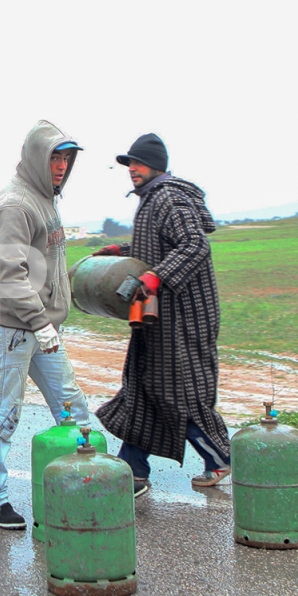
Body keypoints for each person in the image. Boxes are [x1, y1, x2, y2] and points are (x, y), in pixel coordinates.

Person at [95, 133, 232, 495]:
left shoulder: (169, 197)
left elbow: (194, 245)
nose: (131, 170)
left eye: (137, 163)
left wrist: (157, 276)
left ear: (156, 164)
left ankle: (219, 457)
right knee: (144, 386)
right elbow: (157, 246)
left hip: (184, 317)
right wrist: (121, 250)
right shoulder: (151, 199)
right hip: (158, 316)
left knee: (179, 393)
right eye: (128, 164)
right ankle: (134, 469)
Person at [0, 120, 91, 530]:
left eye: (66, 158)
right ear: (35, 159)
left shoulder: (46, 199)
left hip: (40, 327)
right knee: (3, 414)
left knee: (72, 405)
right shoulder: (15, 205)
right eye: (53, 158)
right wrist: (42, 322)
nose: (60, 166)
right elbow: (10, 276)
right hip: (13, 328)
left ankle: (91, 478)